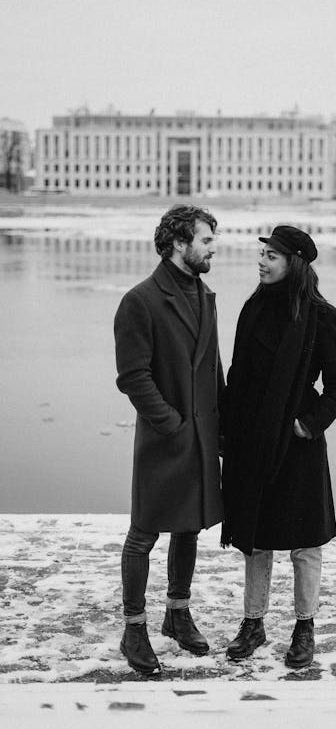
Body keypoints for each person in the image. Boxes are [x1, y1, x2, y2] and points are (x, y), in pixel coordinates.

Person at [221, 225, 336, 669]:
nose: (262, 262)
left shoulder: (321, 316)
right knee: (256, 539)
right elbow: (237, 376)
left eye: (272, 256)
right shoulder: (253, 308)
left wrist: (306, 426)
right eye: (262, 254)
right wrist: (227, 432)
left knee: (304, 543)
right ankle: (253, 623)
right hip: (253, 440)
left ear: (292, 263)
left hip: (297, 445)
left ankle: (304, 626)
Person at [114, 204, 224, 675]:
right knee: (144, 534)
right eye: (205, 241)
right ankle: (133, 628)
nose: (212, 249)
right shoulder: (140, 300)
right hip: (165, 438)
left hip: (201, 436)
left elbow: (212, 367)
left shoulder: (205, 295)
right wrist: (169, 422)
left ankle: (176, 614)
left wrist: (222, 429)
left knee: (189, 526)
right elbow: (133, 376)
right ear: (179, 243)